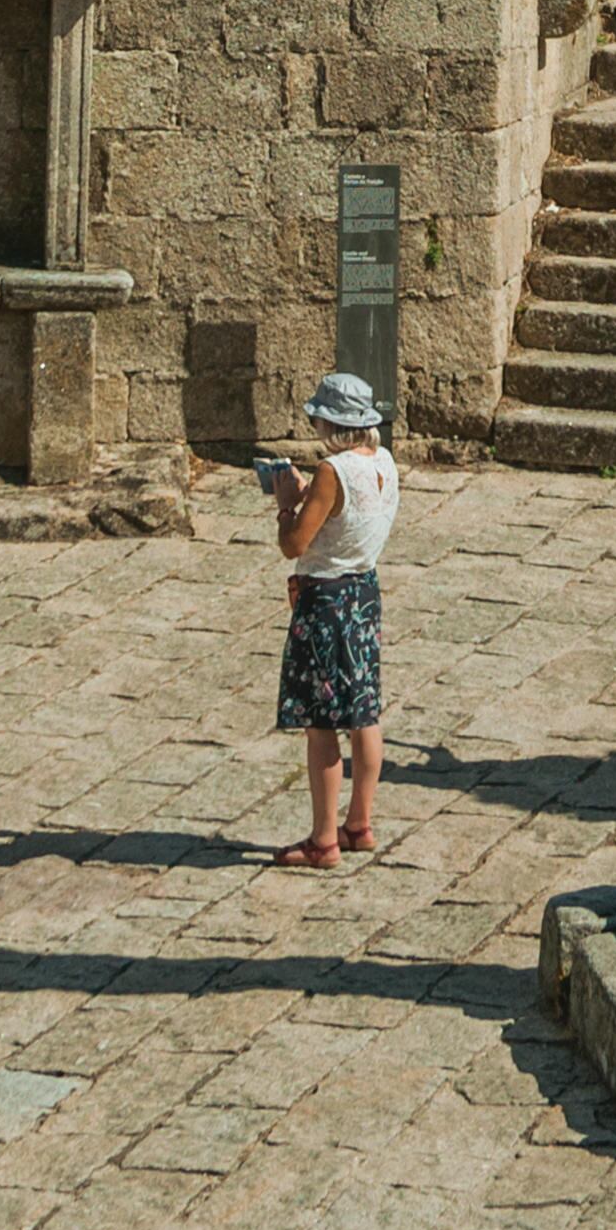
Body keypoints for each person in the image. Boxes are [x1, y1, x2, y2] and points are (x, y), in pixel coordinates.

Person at [267, 369, 397, 868]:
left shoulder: (331, 471)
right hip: (364, 593)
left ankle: (323, 840)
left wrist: (285, 507)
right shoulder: (384, 461)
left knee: (321, 722)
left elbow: (294, 544)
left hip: (326, 601)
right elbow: (349, 518)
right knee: (364, 712)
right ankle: (359, 824)